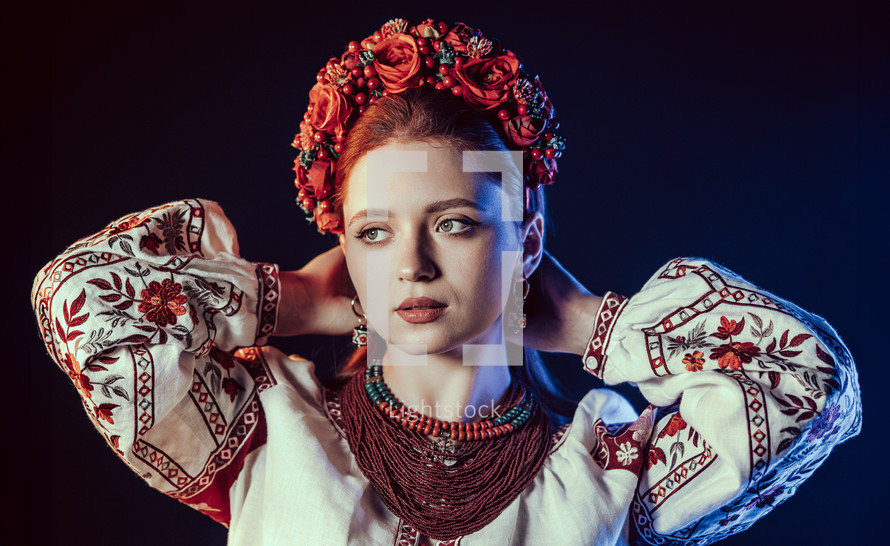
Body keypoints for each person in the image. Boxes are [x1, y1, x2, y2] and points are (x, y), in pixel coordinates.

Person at [32, 18, 861, 545]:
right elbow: (77, 297)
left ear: (528, 238)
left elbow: (809, 381)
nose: (413, 264)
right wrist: (289, 299)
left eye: (456, 222)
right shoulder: (266, 432)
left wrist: (587, 322)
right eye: (375, 232)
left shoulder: (612, 469)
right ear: (346, 251)